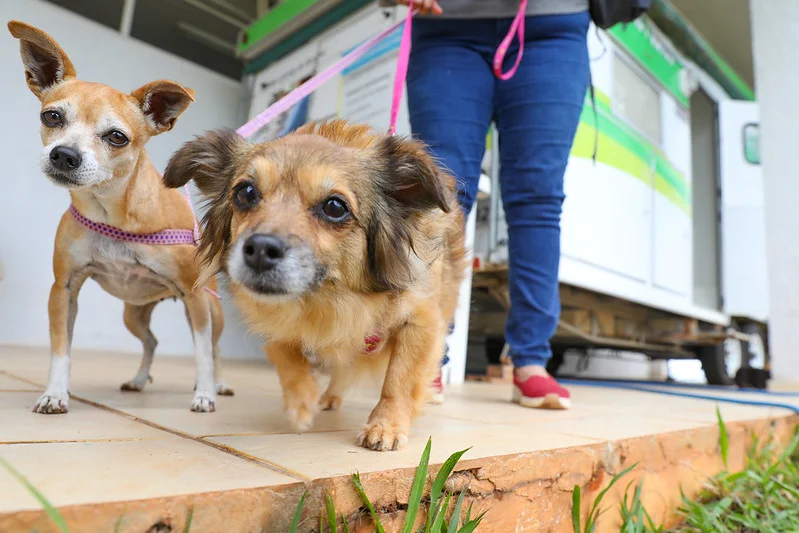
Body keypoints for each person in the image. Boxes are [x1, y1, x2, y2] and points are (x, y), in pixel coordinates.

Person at [391, 0, 591, 409]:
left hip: (552, 25)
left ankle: (532, 360)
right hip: (446, 24)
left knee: (538, 197)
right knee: (440, 194)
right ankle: (425, 357)